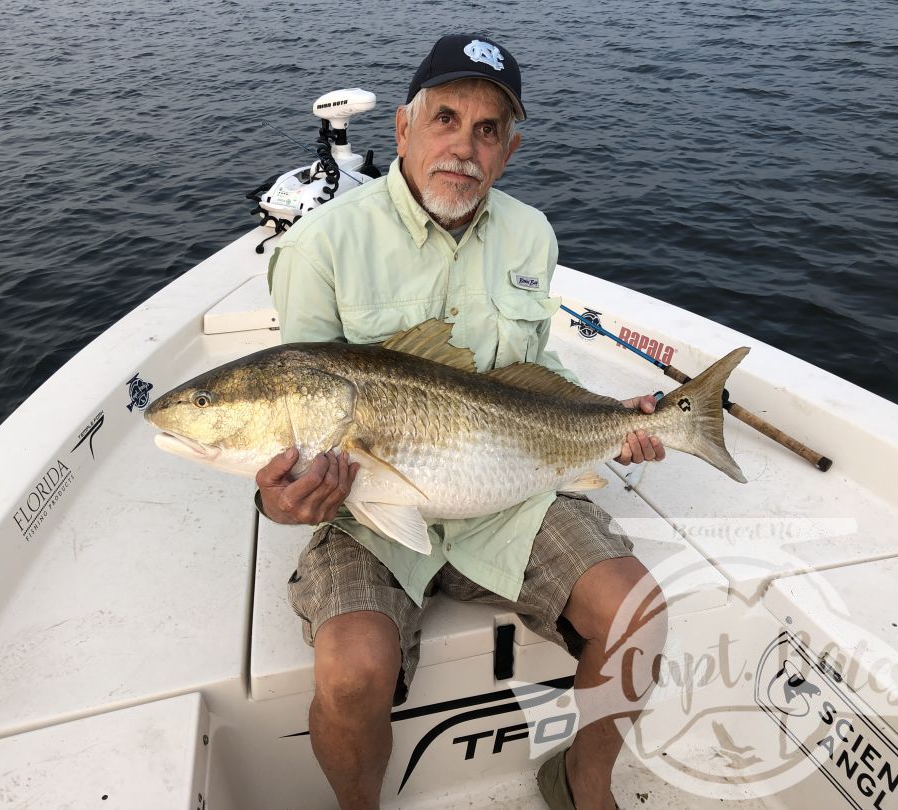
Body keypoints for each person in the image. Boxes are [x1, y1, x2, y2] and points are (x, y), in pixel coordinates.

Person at [258, 33, 667, 810]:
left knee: (637, 612)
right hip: (370, 505)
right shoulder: (320, 245)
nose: (464, 147)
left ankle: (582, 784)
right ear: (405, 130)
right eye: (445, 119)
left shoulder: (531, 236)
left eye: (488, 130)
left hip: (507, 484)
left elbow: (534, 376)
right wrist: (278, 499)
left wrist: (614, 420)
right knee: (350, 670)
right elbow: (294, 407)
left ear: (507, 151)